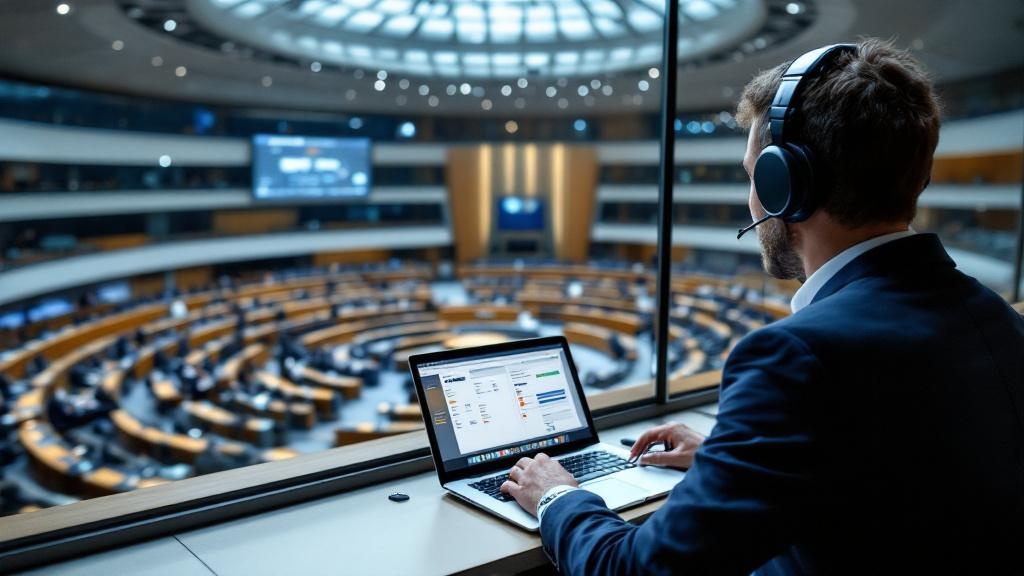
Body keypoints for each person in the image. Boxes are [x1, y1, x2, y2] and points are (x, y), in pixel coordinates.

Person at [500, 39, 1024, 575]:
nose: (751, 196)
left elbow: (636, 570)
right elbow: (896, 474)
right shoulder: (996, 317)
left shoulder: (796, 357)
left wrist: (557, 497)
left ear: (786, 185)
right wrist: (728, 461)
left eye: (754, 174)